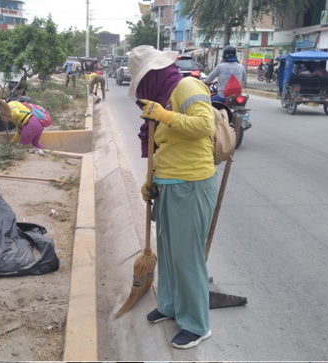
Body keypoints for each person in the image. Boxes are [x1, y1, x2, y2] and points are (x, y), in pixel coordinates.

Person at [127, 45, 217, 350]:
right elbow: (159, 147)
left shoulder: (186, 86)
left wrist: (164, 115)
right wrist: (149, 182)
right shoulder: (159, 100)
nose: (140, 91)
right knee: (166, 251)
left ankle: (196, 324)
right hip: (167, 184)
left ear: (153, 74)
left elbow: (205, 125)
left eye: (141, 82)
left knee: (187, 256)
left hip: (192, 183)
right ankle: (169, 305)